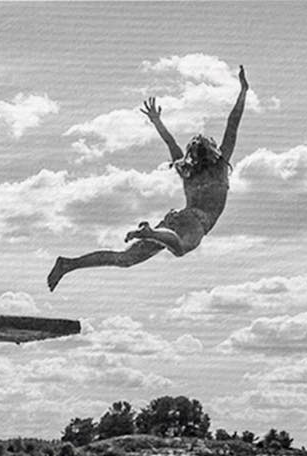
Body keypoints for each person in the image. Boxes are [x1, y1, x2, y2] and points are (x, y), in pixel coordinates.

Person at [47, 65, 249, 291]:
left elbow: (171, 142)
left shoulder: (187, 170)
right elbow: (233, 123)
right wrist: (243, 91)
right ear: (213, 151)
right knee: (181, 248)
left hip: (175, 219)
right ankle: (152, 233)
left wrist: (156, 121)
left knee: (125, 259)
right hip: (197, 222)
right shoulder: (220, 166)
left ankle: (69, 264)